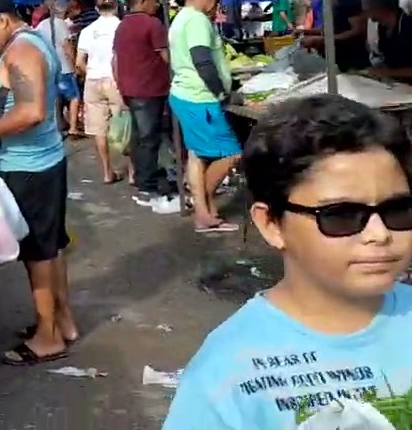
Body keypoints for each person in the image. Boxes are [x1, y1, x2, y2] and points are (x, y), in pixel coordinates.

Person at [163, 95, 412, 428]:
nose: (379, 234)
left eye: (397, 210)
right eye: (340, 215)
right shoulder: (226, 373)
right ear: (271, 224)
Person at [0, 0, 76, 367]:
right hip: (42, 161)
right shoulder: (29, 43)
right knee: (50, 247)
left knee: (37, 254)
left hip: (29, 167)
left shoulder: (22, 50)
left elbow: (32, 111)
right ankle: (62, 322)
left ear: (3, 19)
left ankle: (48, 337)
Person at [168, 0, 240, 233]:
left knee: (198, 155)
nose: (217, 3)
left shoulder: (181, 18)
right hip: (200, 97)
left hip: (185, 94)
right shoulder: (197, 20)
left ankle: (204, 212)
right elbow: (202, 60)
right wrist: (220, 91)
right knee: (231, 152)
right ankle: (203, 205)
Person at [113, 0, 172, 204]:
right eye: (154, 0)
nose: (157, 4)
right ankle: (146, 186)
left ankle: (141, 180)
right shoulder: (152, 24)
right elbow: (167, 57)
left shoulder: (122, 26)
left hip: (130, 89)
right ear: (144, 1)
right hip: (149, 90)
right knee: (149, 139)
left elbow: (116, 60)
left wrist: (121, 88)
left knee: (139, 138)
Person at [76, 0, 131, 185]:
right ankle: (132, 171)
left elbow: (79, 62)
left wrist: (89, 73)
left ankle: (108, 172)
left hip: (93, 81)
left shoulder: (87, 31)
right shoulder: (123, 27)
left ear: (97, 8)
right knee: (125, 125)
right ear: (117, 6)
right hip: (116, 80)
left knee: (99, 130)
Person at [300, 0, 370, 72]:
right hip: (335, 59)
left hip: (352, 61)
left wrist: (321, 40)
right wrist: (307, 32)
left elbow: (358, 31)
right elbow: (333, 26)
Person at [35, 0, 79, 134]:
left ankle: (57, 123)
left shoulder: (42, 25)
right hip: (64, 67)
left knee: (55, 97)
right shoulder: (61, 25)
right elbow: (67, 46)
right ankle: (73, 127)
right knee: (74, 97)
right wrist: (75, 63)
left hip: (48, 66)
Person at [362, 0, 412, 81]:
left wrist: (388, 72)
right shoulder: (382, 27)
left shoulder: (408, 26)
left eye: (367, 9)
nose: (365, 13)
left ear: (379, 8)